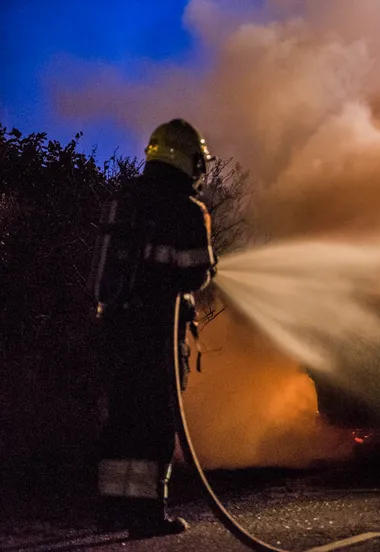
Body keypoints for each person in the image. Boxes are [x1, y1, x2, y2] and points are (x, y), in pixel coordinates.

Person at [91, 119, 217, 538]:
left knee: (121, 420)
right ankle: (147, 515)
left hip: (115, 330)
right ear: (187, 160)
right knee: (156, 424)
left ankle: (112, 510)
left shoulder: (125, 199)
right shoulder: (186, 209)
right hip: (156, 335)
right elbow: (196, 274)